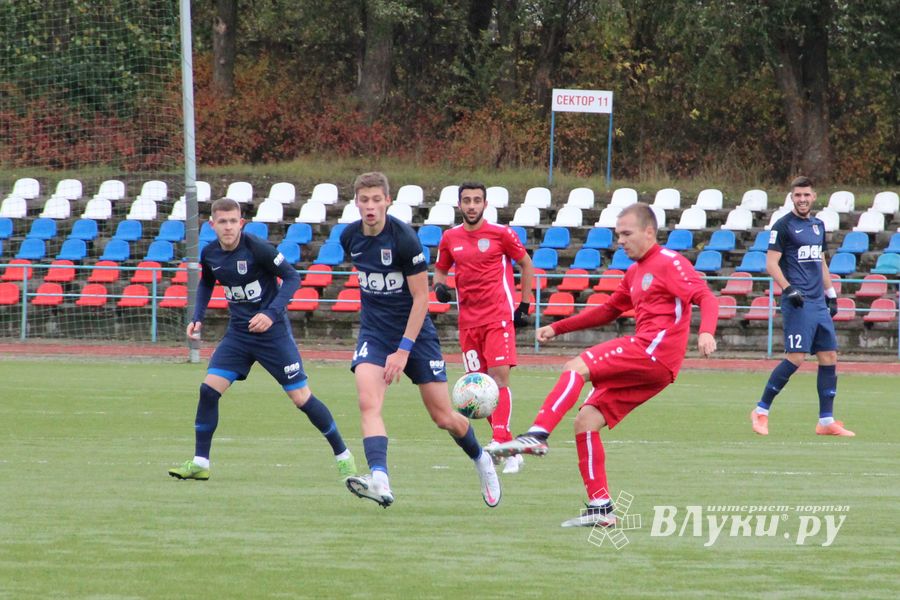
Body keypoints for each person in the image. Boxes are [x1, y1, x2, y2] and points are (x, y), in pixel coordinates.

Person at [489, 202, 718, 527]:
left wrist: (706, 332)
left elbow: (706, 297)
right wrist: (558, 326)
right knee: (585, 422)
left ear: (649, 232)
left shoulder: (670, 262)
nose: (620, 241)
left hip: (654, 351)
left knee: (576, 367)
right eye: (617, 235)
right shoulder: (636, 271)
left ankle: (537, 435)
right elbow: (609, 310)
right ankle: (601, 507)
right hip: (655, 368)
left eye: (627, 233)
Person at [340, 172, 501, 508]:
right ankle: (380, 479)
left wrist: (403, 351)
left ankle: (481, 458)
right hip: (374, 333)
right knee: (368, 403)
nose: (370, 206)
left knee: (443, 417)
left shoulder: (404, 239)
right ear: (356, 202)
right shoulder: (349, 238)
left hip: (415, 335)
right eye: (364, 200)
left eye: (376, 199)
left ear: (388, 200)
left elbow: (421, 300)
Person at [168, 197, 356, 481]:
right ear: (212, 225)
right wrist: (198, 315)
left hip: (273, 335)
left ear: (241, 223)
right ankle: (200, 462)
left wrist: (270, 313)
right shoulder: (210, 254)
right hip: (239, 336)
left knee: (301, 398)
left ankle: (343, 455)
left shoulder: (257, 248)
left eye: (233, 221)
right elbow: (207, 281)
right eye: (223, 222)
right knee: (208, 390)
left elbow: (292, 278)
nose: (228, 227)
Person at [433, 182, 534, 474]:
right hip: (468, 323)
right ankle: (510, 447)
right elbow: (441, 267)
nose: (472, 205)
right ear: (459, 205)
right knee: (479, 388)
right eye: (467, 200)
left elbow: (526, 264)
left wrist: (524, 305)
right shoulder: (450, 238)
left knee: (499, 379)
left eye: (477, 200)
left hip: (498, 318)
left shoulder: (501, 234)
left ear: (485, 204)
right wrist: (439, 286)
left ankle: (500, 441)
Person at [750, 176, 854, 437]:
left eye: (806, 195)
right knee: (796, 357)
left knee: (829, 357)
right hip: (797, 302)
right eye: (798, 195)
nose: (803, 199)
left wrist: (831, 295)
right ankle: (761, 411)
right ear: (792, 197)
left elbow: (820, 262)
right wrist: (788, 289)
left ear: (814, 196)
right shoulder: (783, 226)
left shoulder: (819, 226)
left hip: (818, 302)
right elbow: (771, 263)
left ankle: (826, 421)